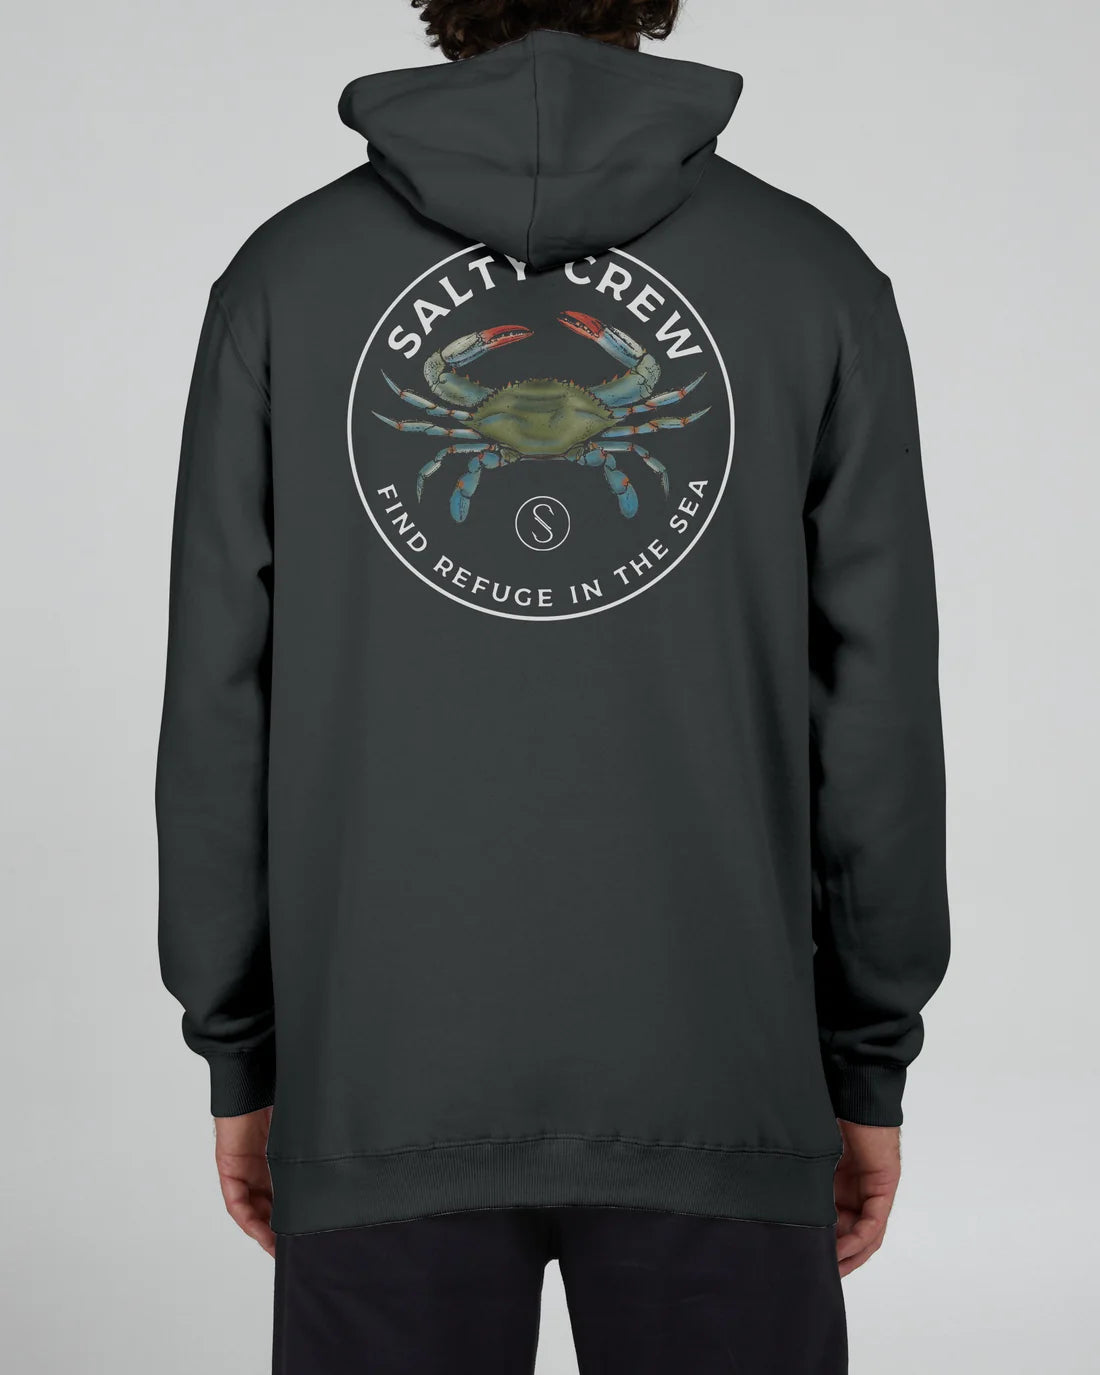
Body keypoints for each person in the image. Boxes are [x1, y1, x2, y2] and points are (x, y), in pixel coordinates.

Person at [156, 1, 950, 1370]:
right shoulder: (813, 276)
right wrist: (864, 1060)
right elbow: (876, 706)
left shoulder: (285, 279)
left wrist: (245, 1052)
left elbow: (220, 691)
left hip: (379, 1081)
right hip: (725, 1083)